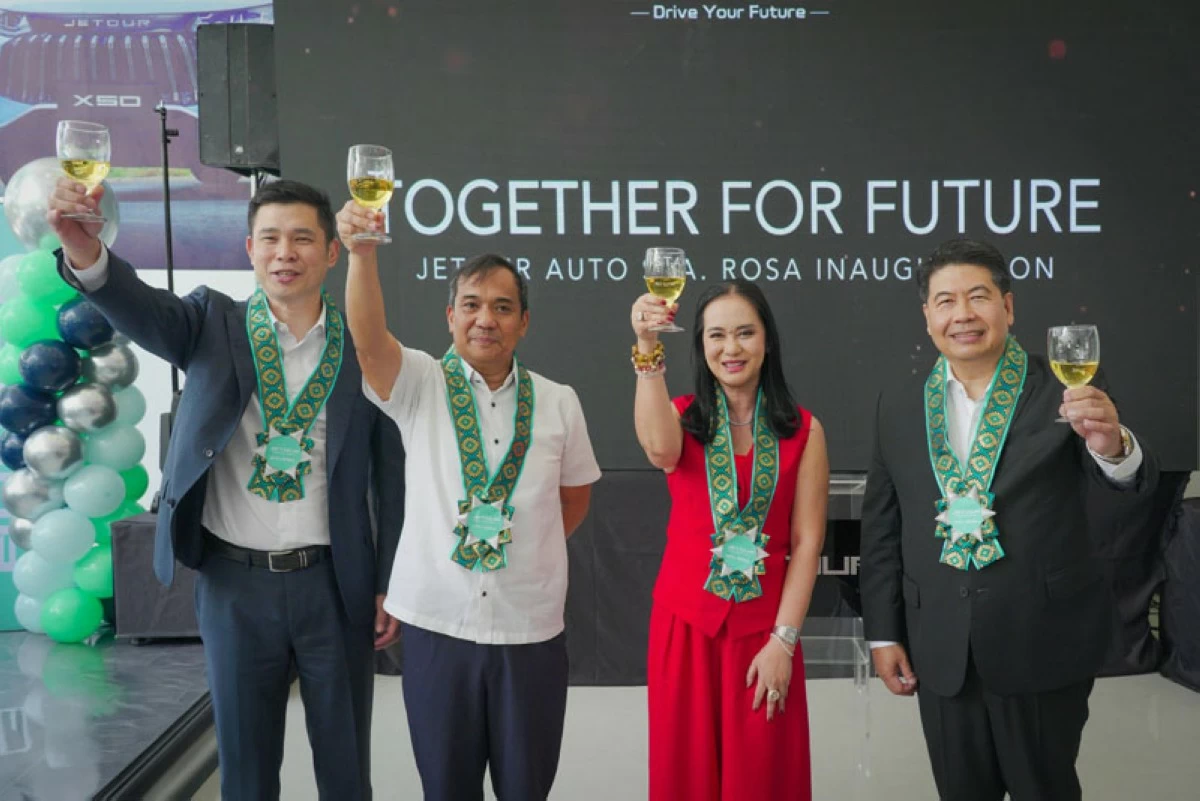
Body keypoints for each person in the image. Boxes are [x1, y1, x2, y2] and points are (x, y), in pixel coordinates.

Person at [48, 178, 405, 801]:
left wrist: (387, 579)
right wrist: (88, 253)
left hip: (334, 585)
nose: (284, 253)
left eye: (301, 239)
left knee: (347, 771)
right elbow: (137, 304)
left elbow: (390, 474)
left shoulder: (363, 349)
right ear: (248, 248)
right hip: (236, 587)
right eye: (270, 238)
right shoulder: (210, 322)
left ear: (330, 253)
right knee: (244, 771)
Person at [860, 237, 1159, 800]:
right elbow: (882, 528)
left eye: (978, 296)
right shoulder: (898, 405)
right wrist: (883, 631)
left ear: (1008, 307)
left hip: (1041, 641)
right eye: (945, 301)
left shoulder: (1069, 390)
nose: (962, 314)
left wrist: (1114, 445)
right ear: (927, 316)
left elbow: (1125, 490)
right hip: (941, 645)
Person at [337, 202, 602, 801]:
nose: (487, 320)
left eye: (503, 308)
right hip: (437, 625)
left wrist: (526, 548)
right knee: (446, 789)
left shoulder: (559, 401)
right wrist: (361, 254)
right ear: (450, 315)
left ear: (524, 323)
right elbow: (369, 340)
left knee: (525, 788)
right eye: (473, 305)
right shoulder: (420, 383)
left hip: (529, 631)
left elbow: (575, 496)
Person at [631, 280, 828, 801]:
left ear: (767, 340)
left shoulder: (804, 430)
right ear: (700, 345)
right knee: (685, 781)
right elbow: (657, 450)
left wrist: (784, 642)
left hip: (764, 636)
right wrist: (647, 349)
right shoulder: (681, 417)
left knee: (763, 782)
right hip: (685, 631)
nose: (731, 348)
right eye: (716, 335)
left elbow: (807, 543)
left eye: (745, 333)